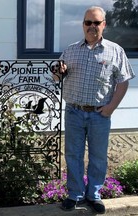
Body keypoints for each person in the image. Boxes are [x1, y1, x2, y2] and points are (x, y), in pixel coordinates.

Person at [54, 6, 135, 214]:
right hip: (74, 111)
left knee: (98, 156)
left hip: (100, 114)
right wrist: (57, 71)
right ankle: (75, 194)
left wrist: (110, 108)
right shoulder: (71, 50)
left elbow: (123, 82)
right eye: (88, 22)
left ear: (104, 25)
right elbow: (57, 77)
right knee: (73, 155)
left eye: (96, 23)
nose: (92, 27)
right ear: (83, 24)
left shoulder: (115, 50)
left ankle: (94, 195)